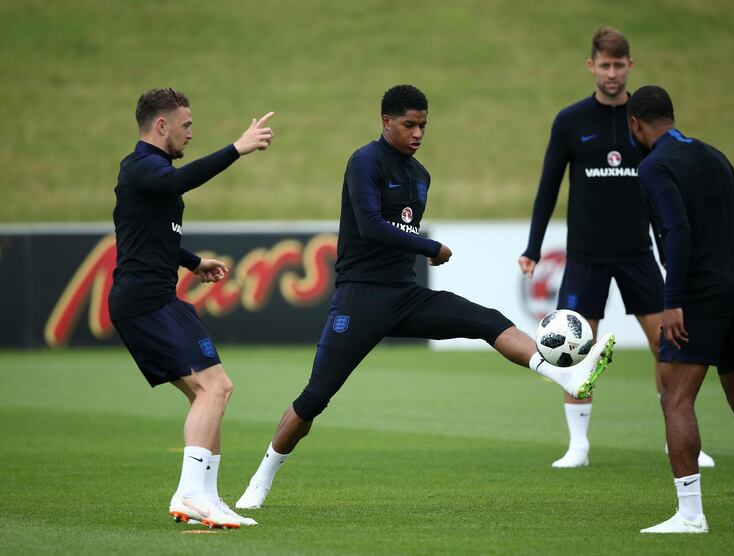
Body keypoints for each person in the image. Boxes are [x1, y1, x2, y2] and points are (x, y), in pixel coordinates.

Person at [235, 84, 616, 510]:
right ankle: (260, 480)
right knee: (314, 399)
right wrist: (430, 248)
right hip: (360, 300)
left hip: (406, 296)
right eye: (409, 125)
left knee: (488, 320)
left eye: (423, 126)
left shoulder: (420, 176)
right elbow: (370, 225)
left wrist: (420, 250)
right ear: (386, 122)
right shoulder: (364, 162)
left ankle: (565, 376)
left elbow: (399, 233)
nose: (418, 134)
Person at [518, 27, 715, 468]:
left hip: (638, 255)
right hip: (585, 256)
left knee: (669, 344)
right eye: (603, 64)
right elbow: (548, 188)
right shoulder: (570, 121)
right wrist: (533, 247)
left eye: (618, 64)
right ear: (592, 66)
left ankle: (679, 439)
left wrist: (670, 255)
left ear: (630, 66)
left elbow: (666, 197)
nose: (611, 72)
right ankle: (578, 446)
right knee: (576, 350)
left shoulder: (644, 122)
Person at [109, 88, 274, 528]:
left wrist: (193, 261)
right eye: (186, 125)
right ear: (161, 125)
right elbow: (176, 183)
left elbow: (149, 234)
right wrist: (237, 149)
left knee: (210, 395)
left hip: (155, 298)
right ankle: (189, 493)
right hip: (147, 302)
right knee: (216, 388)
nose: (190, 134)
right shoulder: (144, 166)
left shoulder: (148, 172)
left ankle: (208, 499)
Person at [629, 85, 734, 534]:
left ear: (635, 124)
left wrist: (672, 300)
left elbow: (676, 231)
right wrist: (731, 269)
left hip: (697, 296)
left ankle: (691, 515)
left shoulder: (654, 166)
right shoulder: (715, 155)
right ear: (671, 116)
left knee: (676, 399)